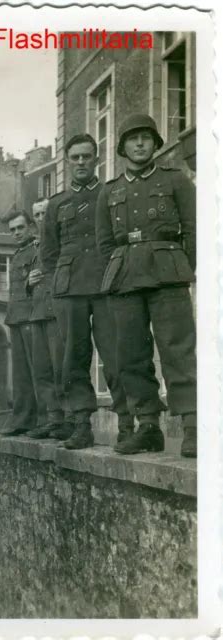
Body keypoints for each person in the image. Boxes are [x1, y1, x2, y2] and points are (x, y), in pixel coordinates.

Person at [95, 113, 196, 457]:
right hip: (125, 280)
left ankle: (194, 426)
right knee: (131, 355)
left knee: (177, 349)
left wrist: (185, 268)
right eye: (133, 138)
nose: (140, 143)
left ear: (155, 143)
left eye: (146, 137)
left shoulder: (176, 181)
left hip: (168, 274)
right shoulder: (110, 192)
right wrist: (118, 271)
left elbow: (194, 231)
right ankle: (148, 426)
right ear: (122, 147)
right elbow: (105, 244)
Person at [41, 133, 132, 449]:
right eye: (75, 157)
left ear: (96, 158)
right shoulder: (56, 204)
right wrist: (59, 287)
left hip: (107, 286)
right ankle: (81, 423)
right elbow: (48, 255)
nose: (81, 162)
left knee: (115, 354)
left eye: (86, 156)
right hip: (69, 291)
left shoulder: (110, 194)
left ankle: (127, 423)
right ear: (67, 162)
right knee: (73, 358)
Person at [26, 199, 75, 440]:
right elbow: (30, 281)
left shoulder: (63, 239)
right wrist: (28, 281)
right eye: (36, 213)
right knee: (42, 370)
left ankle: (69, 419)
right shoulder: (33, 247)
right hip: (37, 314)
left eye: (45, 212)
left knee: (61, 368)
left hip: (57, 311)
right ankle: (54, 419)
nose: (41, 217)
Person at [1, 210, 45, 436]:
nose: (16, 233)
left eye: (20, 227)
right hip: (17, 316)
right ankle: (22, 418)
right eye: (12, 230)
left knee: (35, 370)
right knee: (20, 373)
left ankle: (41, 420)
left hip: (31, 315)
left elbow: (40, 278)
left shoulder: (37, 249)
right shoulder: (18, 253)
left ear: (31, 226)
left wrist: (31, 282)